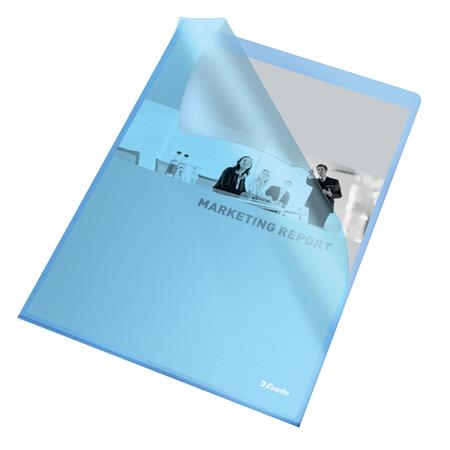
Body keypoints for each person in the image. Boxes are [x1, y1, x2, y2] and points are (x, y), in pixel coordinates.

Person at [305, 164, 342, 228]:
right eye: (318, 170)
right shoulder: (315, 181)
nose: (320, 171)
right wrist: (310, 174)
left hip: (326, 207)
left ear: (326, 171)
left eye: (322, 169)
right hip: (313, 206)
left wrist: (330, 194)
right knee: (310, 223)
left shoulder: (334, 181)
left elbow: (339, 195)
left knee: (320, 225)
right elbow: (308, 181)